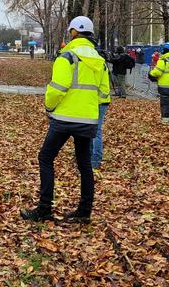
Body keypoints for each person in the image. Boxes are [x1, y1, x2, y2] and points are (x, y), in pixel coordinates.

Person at [21, 16, 109, 224]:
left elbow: (57, 88)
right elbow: (104, 93)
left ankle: (44, 209)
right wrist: (90, 112)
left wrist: (49, 107)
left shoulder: (66, 56)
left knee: (46, 158)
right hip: (87, 120)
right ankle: (84, 211)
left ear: (73, 33)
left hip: (63, 119)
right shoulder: (100, 60)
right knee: (84, 165)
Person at [148, 42, 169, 124]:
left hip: (165, 87)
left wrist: (150, 73)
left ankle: (166, 121)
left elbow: (157, 72)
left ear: (164, 50)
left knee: (165, 104)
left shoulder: (163, 61)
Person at [92, 59, 112, 169]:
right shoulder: (101, 63)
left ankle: (93, 159)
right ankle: (95, 160)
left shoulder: (86, 63)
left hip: (93, 101)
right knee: (96, 130)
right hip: (103, 101)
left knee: (93, 131)